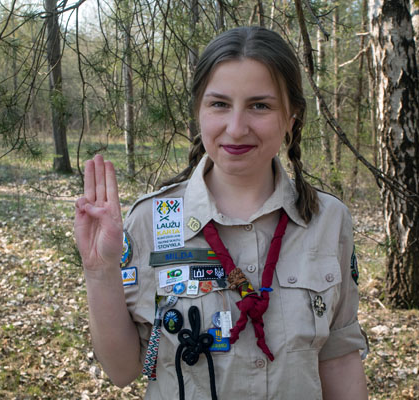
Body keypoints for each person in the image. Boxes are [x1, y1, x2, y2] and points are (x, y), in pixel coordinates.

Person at [74, 26, 368, 400]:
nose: (236, 127)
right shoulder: (151, 220)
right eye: (219, 104)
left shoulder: (328, 220)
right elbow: (123, 370)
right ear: (199, 112)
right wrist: (100, 270)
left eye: (260, 105)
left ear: (291, 118)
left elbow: (339, 358)